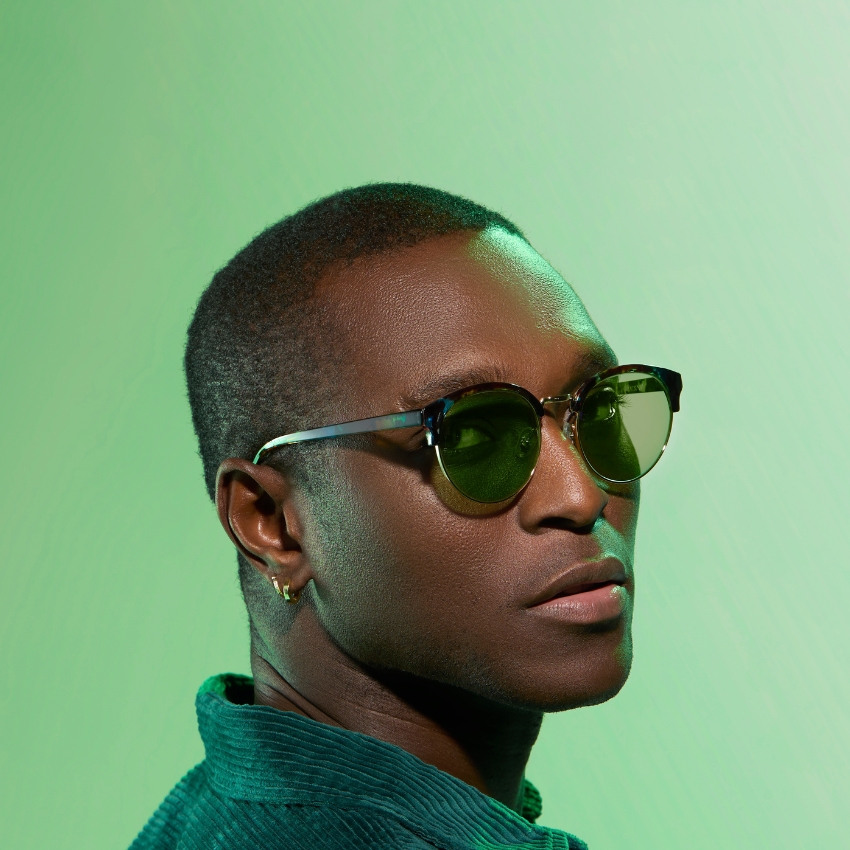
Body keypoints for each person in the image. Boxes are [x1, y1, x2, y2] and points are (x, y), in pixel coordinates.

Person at [130, 183, 682, 850]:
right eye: (473, 439)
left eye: (595, 411)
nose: (581, 495)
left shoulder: (217, 815)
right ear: (271, 521)